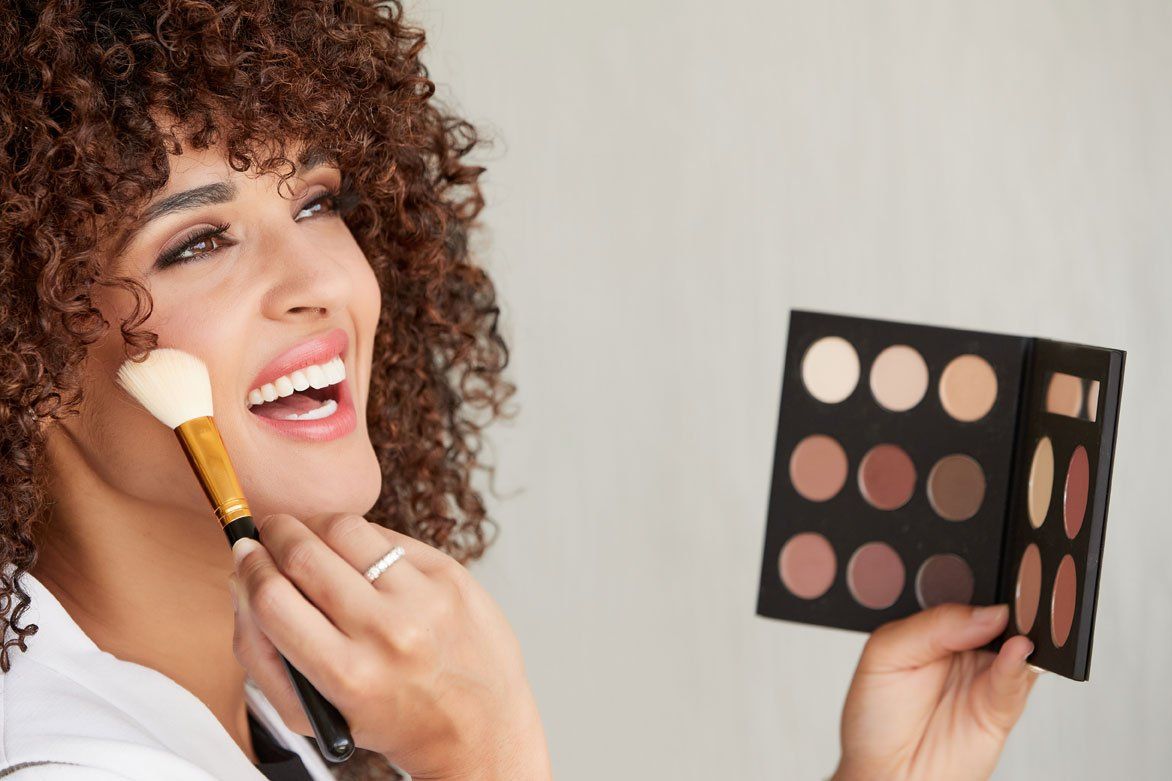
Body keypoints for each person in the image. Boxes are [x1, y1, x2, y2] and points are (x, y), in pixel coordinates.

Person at [0, 1, 1038, 779]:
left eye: (317, 203)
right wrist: (481, 753)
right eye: (200, 241)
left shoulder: (261, 718)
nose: (325, 281)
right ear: (22, 347)